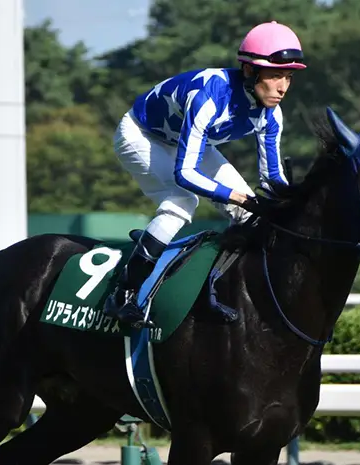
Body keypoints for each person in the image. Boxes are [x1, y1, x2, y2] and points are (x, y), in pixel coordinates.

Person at [103, 21, 307, 327]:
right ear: (250, 71)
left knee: (250, 216)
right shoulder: (210, 98)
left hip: (188, 141)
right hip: (141, 135)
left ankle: (233, 295)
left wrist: (295, 206)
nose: (283, 87)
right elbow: (185, 174)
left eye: (288, 77)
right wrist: (239, 197)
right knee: (183, 201)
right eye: (275, 75)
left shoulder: (271, 115)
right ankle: (123, 294)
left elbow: (272, 180)